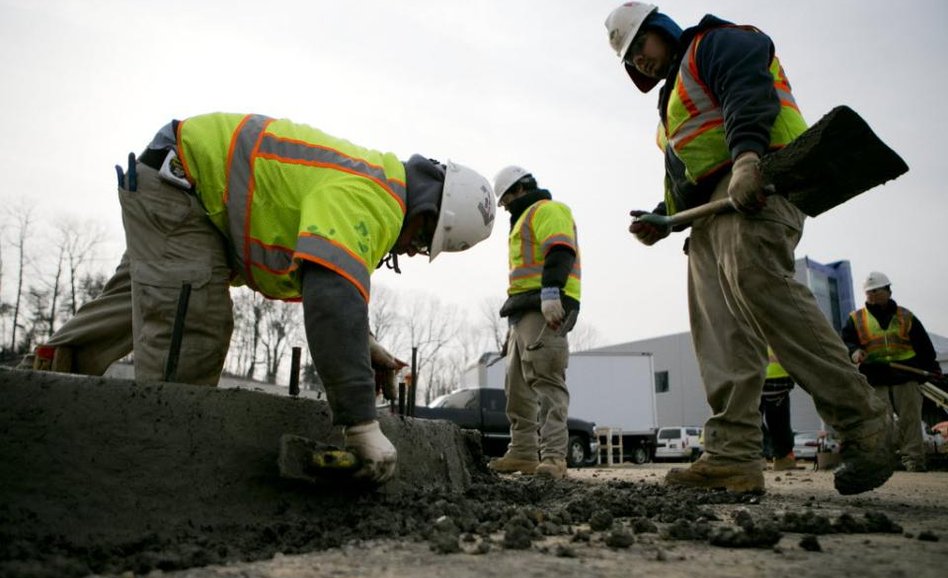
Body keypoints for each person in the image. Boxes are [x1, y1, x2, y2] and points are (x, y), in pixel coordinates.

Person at [27, 113, 496, 484]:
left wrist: (363, 340)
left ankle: (30, 401)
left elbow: (331, 285)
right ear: (428, 211)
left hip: (180, 185)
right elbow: (332, 299)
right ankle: (160, 480)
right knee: (193, 329)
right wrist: (361, 425)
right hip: (184, 187)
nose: (411, 251)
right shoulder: (374, 200)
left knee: (131, 308)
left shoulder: (374, 183)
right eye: (420, 242)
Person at [604, 3, 895, 495]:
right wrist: (665, 218)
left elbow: (747, 93)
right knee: (719, 332)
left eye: (640, 48)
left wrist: (746, 162)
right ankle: (732, 456)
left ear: (659, 29)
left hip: (759, 185)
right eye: (630, 61)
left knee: (764, 292)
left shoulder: (716, 42)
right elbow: (692, 168)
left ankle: (864, 423)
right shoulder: (671, 102)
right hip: (708, 217)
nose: (640, 62)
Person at [487, 166, 581, 480]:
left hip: (545, 308)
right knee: (516, 388)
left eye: (505, 200)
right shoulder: (523, 220)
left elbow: (560, 250)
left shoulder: (547, 210)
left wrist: (552, 292)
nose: (504, 208)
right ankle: (523, 452)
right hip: (524, 311)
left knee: (547, 382)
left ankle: (554, 457)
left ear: (519, 190)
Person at [842, 272, 941, 472]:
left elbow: (924, 346)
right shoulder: (856, 318)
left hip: (905, 376)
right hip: (875, 376)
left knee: (910, 420)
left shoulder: (905, 316)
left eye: (877, 291)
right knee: (880, 422)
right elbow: (847, 341)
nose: (872, 295)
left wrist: (931, 369)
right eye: (869, 292)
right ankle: (884, 461)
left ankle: (913, 459)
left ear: (888, 290)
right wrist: (854, 352)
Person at [760, 347, 800, 471]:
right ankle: (783, 456)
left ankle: (755, 454)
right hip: (778, 375)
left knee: (749, 415)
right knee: (778, 419)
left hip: (753, 372)